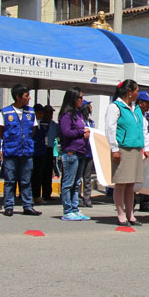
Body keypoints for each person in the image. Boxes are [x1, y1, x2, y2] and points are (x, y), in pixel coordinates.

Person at [105, 80, 148, 227]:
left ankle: (131, 214)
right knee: (121, 183)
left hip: (136, 148)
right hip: (123, 148)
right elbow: (110, 128)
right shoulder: (115, 107)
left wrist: (145, 147)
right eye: (136, 91)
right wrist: (114, 149)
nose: (138, 93)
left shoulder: (135, 108)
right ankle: (121, 214)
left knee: (131, 184)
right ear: (129, 91)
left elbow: (143, 128)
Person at [0, 84, 42, 217]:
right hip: (11, 151)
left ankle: (28, 206)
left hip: (26, 151)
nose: (29, 98)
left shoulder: (30, 112)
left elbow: (33, 130)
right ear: (18, 97)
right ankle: (9, 206)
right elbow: (0, 131)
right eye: (26, 96)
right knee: (10, 180)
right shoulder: (5, 112)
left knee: (26, 180)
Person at [58, 87, 91, 221]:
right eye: (80, 98)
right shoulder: (66, 115)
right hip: (71, 152)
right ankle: (67, 210)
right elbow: (66, 132)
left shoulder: (79, 114)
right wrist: (81, 132)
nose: (81, 100)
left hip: (81, 151)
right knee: (68, 182)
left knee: (77, 182)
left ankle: (75, 208)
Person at [31, 105, 54, 204]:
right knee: (31, 175)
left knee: (39, 174)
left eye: (41, 113)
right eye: (38, 113)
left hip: (42, 151)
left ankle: (38, 195)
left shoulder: (45, 124)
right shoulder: (30, 122)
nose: (40, 115)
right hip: (32, 151)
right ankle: (31, 195)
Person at [79, 100, 96, 207]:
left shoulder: (91, 122)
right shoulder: (79, 121)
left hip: (90, 152)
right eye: (89, 106)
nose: (91, 108)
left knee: (87, 177)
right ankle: (77, 198)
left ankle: (87, 198)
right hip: (81, 151)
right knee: (78, 177)